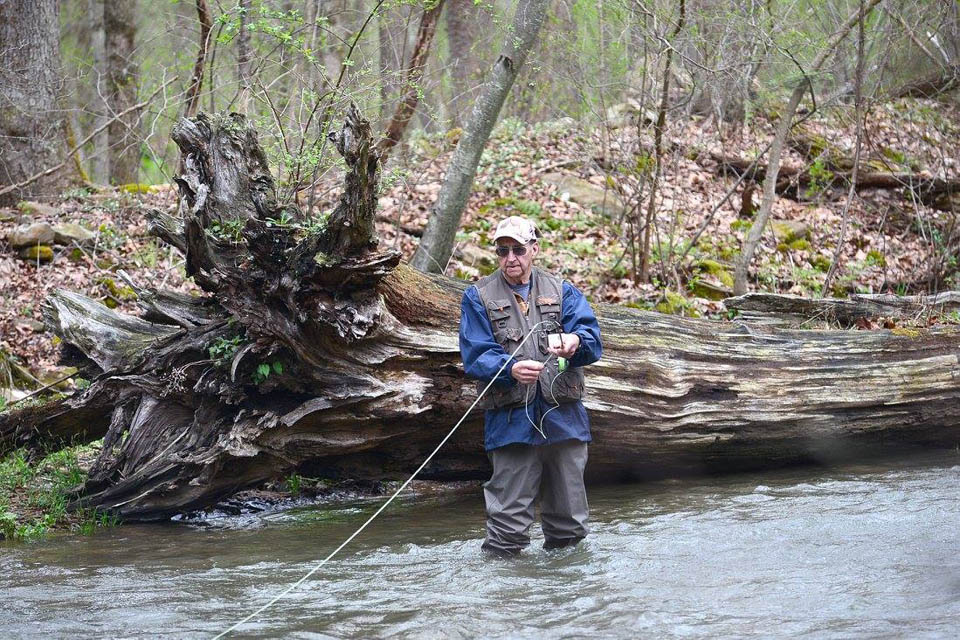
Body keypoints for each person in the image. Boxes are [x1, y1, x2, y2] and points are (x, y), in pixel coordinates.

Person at [459, 215, 603, 556]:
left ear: (534, 250)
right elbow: (475, 354)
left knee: (569, 527)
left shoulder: (563, 291)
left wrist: (573, 342)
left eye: (518, 250)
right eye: (502, 250)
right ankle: (508, 600)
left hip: (563, 420)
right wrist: (510, 369)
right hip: (510, 423)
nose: (511, 258)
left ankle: (565, 599)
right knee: (506, 530)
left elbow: (592, 343)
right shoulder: (477, 297)